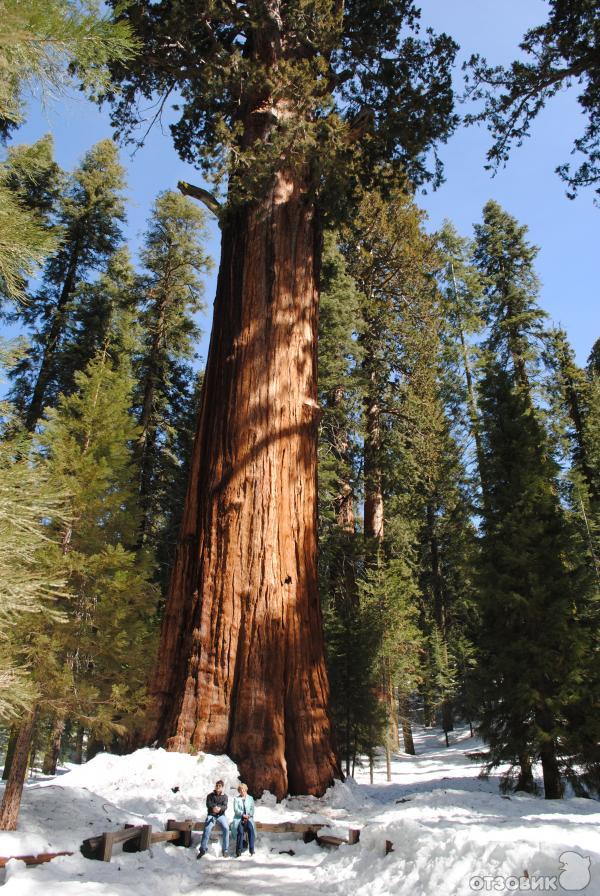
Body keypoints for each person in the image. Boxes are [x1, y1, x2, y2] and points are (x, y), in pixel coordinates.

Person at [197, 780, 229, 858]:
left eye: (220, 786)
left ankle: (225, 850)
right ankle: (202, 849)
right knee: (207, 828)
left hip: (221, 815)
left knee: (226, 828)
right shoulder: (210, 795)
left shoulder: (225, 796)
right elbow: (208, 804)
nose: (218, 787)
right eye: (217, 785)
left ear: (222, 787)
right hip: (211, 815)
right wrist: (213, 808)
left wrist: (220, 808)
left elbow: (225, 806)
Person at [232, 782, 256, 857]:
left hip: (248, 818)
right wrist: (243, 814)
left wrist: (248, 815)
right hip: (239, 818)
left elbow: (252, 810)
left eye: (243, 790)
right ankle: (238, 850)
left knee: (250, 829)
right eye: (240, 790)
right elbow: (236, 810)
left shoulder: (250, 798)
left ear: (246, 790)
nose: (242, 791)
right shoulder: (236, 799)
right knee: (240, 831)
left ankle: (251, 849)